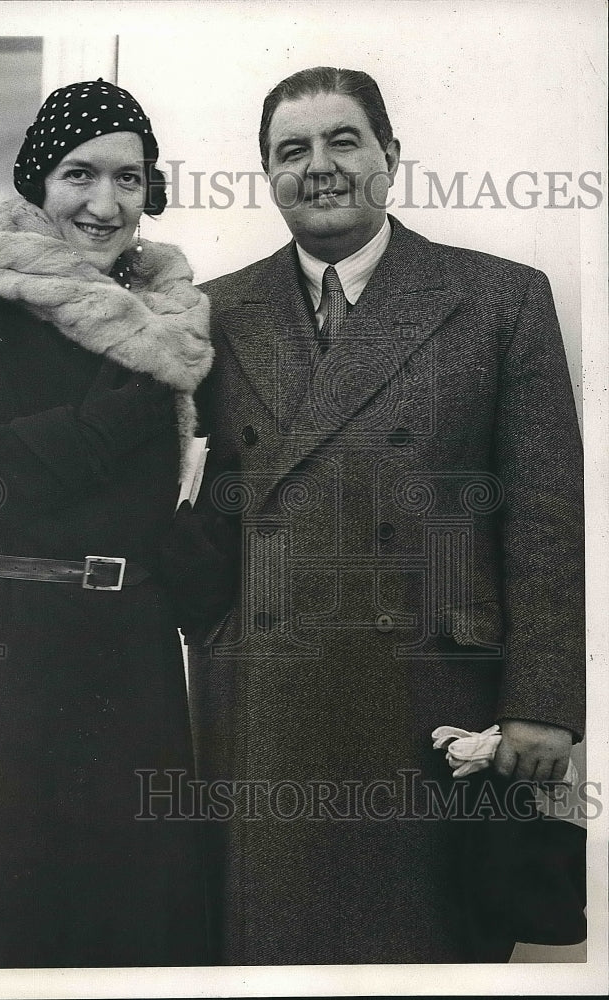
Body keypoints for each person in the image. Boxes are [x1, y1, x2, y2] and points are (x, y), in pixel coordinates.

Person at [187, 66, 585, 964]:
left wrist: (545, 703)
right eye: (292, 151)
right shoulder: (211, 311)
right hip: (261, 699)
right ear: (268, 175)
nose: (319, 167)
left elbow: (547, 517)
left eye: (343, 141)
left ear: (390, 157)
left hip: (434, 699)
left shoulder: (501, 299)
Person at [0, 79, 213, 969]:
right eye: (79, 174)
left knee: (134, 933)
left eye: (130, 179)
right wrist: (99, 428)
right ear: (38, 183)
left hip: (132, 659)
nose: (105, 204)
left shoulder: (170, 330)